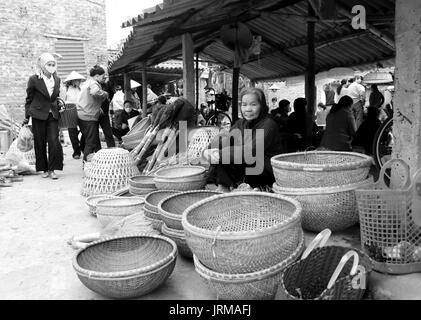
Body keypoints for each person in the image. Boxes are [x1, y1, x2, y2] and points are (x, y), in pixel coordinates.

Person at [203, 87, 284, 192]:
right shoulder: (241, 123)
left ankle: (258, 188)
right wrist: (208, 150)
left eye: (253, 105)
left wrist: (220, 154)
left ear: (262, 106)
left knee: (228, 154)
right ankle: (223, 187)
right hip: (248, 167)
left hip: (266, 171)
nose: (248, 109)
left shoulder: (268, 124)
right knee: (223, 150)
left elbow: (252, 151)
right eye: (244, 105)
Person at [23, 53, 64, 179]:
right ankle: (44, 168)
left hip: (53, 115)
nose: (51, 67)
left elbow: (55, 96)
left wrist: (59, 104)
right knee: (39, 142)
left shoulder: (57, 79)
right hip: (37, 114)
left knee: (54, 141)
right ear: (43, 65)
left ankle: (52, 169)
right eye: (49, 64)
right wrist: (26, 116)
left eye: (53, 64)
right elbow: (29, 98)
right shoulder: (34, 79)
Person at [76, 65, 109, 161]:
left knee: (88, 139)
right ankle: (86, 163)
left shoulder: (86, 83)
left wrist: (98, 108)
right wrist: (105, 94)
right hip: (88, 116)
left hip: (81, 114)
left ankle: (86, 157)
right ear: (97, 76)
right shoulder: (94, 84)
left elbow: (88, 99)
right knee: (91, 142)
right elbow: (95, 93)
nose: (104, 79)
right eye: (103, 76)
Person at [64, 71, 85, 159]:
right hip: (70, 111)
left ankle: (82, 147)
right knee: (72, 132)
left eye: (79, 80)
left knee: (85, 130)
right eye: (77, 80)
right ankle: (76, 152)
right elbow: (62, 100)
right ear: (72, 81)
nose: (78, 82)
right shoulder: (65, 89)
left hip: (80, 110)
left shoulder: (81, 89)